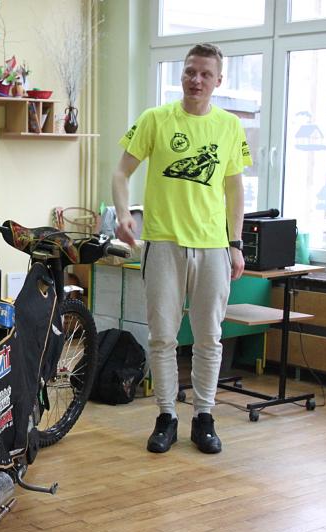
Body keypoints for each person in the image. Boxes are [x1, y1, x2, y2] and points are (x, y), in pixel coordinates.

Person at [111, 43, 250, 455]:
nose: (196, 80)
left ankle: (204, 417)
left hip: (213, 247)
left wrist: (236, 244)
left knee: (209, 338)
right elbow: (120, 173)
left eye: (205, 74)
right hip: (163, 244)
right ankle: (166, 416)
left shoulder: (229, 126)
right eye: (190, 71)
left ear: (218, 80)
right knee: (162, 338)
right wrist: (123, 215)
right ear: (182, 74)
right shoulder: (155, 119)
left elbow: (234, 190)